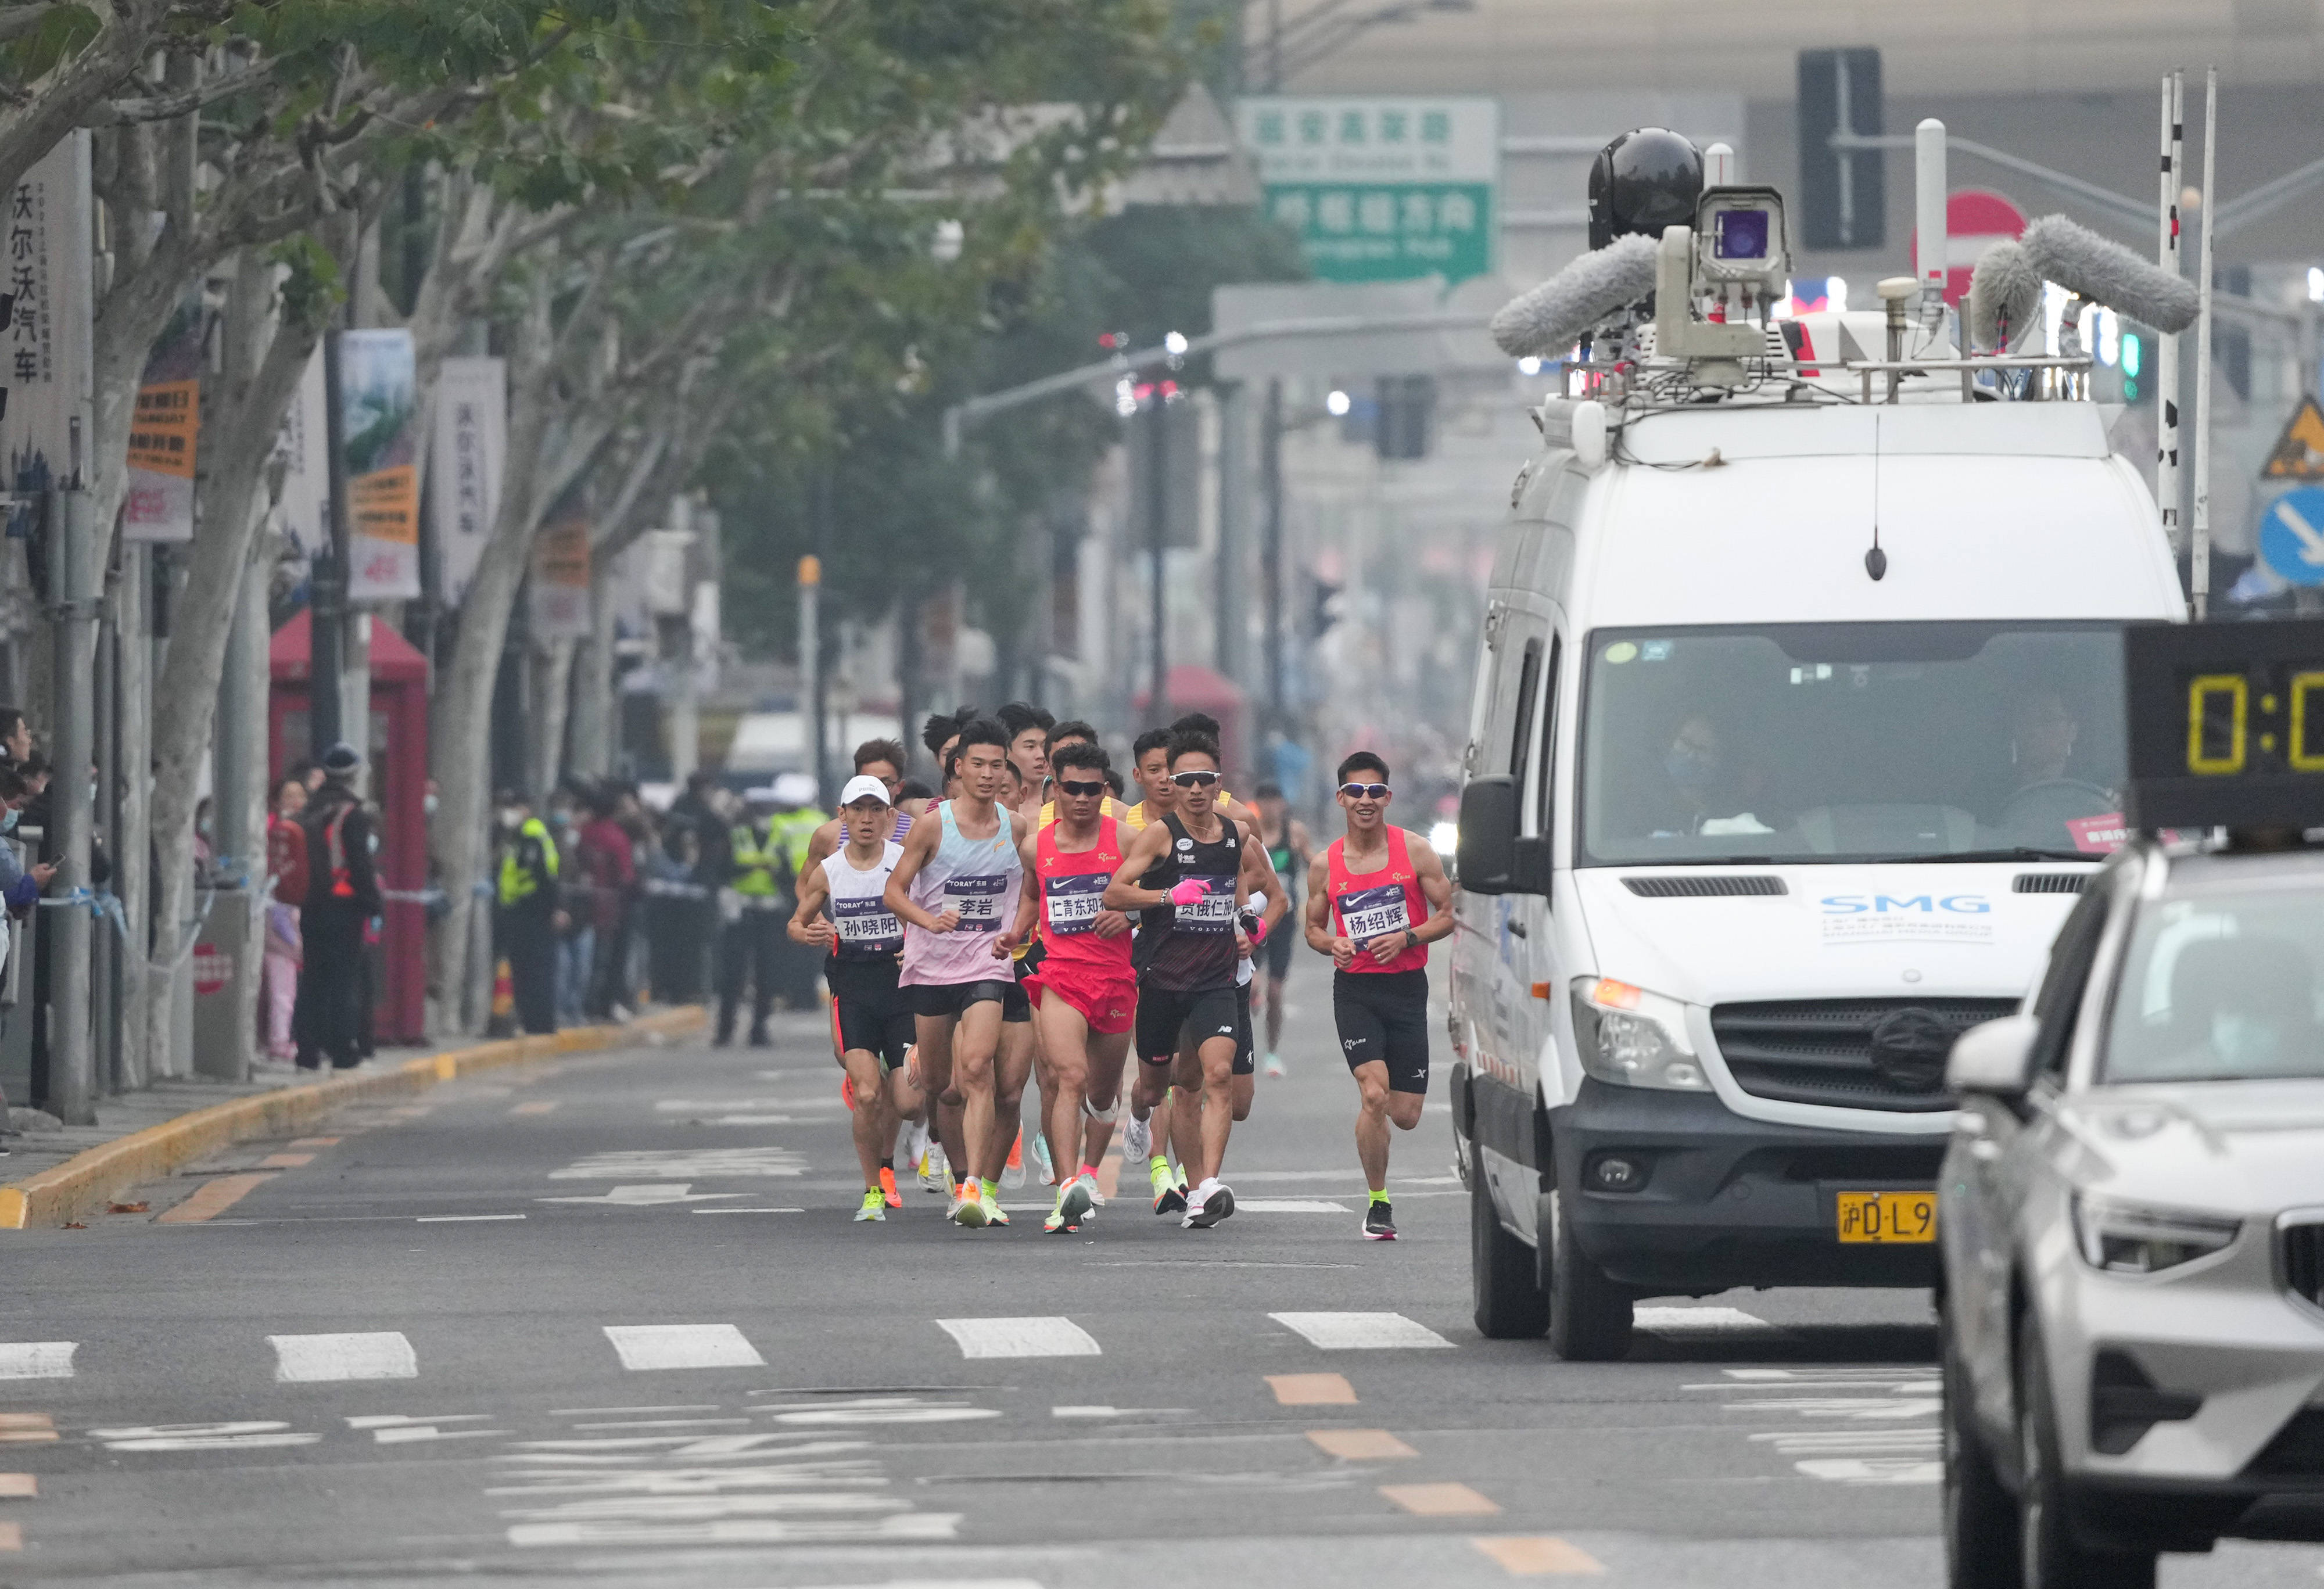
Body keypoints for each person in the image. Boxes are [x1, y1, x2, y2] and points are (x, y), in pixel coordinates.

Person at [1103, 727, 1282, 1230]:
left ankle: (1204, 1186)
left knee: (1213, 1077)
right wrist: (1167, 898)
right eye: (1186, 780)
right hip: (1162, 979)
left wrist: (1249, 918)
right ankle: (1139, 1114)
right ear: (1173, 784)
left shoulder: (1235, 833)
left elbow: (1244, 884)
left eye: (1205, 779)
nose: (1196, 789)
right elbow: (1115, 894)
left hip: (1215, 978)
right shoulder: (1159, 835)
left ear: (1218, 781)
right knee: (1157, 1085)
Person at [1304, 751, 1454, 1241]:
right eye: (1355, 792)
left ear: (1387, 798)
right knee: (1373, 1094)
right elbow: (1312, 928)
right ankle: (1378, 1202)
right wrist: (1333, 943)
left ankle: (1379, 1126)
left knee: (1405, 1114)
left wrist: (1408, 937)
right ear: (1341, 797)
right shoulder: (1325, 864)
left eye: (1375, 792)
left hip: (1408, 989)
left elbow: (1450, 913)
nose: (1365, 801)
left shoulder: (1415, 851)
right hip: (1357, 991)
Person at [884, 718, 1024, 1228]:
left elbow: (1034, 886)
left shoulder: (1015, 826)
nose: (989, 775)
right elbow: (894, 891)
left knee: (979, 1067)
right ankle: (956, 1166)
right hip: (931, 967)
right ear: (958, 768)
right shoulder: (932, 825)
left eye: (997, 765)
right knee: (943, 1087)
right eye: (979, 765)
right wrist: (927, 921)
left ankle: (975, 1188)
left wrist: (1019, 930)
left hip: (988, 962)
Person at [791, 775, 926, 1222]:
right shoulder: (829, 869)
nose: (867, 819)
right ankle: (873, 1189)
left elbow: (927, 907)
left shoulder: (905, 861)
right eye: (858, 809)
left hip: (901, 983)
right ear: (842, 815)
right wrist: (809, 932)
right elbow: (796, 921)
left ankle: (912, 1127)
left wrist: (919, 940)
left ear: (891, 817)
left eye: (876, 810)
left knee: (907, 1102)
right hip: (853, 985)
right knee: (867, 1094)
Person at [1017, 738, 1136, 1234]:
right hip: (1061, 975)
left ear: (1105, 790)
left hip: (1115, 979)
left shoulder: (1128, 841)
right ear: (1056, 789)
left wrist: (1128, 912)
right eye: (1072, 789)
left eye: (1093, 789)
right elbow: (1030, 897)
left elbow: (1164, 899)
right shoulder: (1035, 846)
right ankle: (1068, 1188)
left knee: (1101, 1093)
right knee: (1066, 1077)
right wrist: (1017, 932)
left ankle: (1094, 1145)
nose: (1083, 798)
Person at [295, 743, 385, 1068]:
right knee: (344, 980)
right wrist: (373, 903)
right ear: (353, 775)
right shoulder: (352, 814)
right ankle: (343, 1049)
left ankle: (307, 1049)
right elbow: (360, 864)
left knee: (314, 977)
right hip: (344, 907)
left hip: (310, 905)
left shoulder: (310, 809)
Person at [717, 785, 791, 1046]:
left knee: (766, 974)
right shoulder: (737, 835)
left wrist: (775, 872)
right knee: (733, 973)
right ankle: (725, 1029)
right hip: (741, 912)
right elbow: (722, 869)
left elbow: (788, 875)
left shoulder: (779, 837)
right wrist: (750, 868)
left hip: (770, 914)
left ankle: (759, 1029)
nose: (764, 813)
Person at [1249, 782, 1312, 1078]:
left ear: (1282, 804)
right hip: (1252, 917)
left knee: (1275, 992)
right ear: (1258, 803)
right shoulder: (1249, 833)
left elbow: (1316, 865)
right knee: (1251, 985)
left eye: (1276, 802)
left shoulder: (1295, 832)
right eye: (1265, 801)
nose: (1271, 808)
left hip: (1284, 921)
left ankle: (1272, 1053)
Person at [494, 788, 565, 1038]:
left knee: (533, 972)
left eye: (513, 807)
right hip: (521, 913)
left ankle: (539, 1023)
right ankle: (533, 1021)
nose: (508, 813)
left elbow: (545, 878)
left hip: (532, 914)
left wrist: (552, 911)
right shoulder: (519, 836)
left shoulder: (531, 836)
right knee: (526, 971)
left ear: (524, 809)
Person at [576, 788, 637, 1020]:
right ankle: (601, 1005)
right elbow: (626, 876)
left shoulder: (586, 833)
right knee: (606, 961)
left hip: (583, 906)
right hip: (611, 909)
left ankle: (589, 1004)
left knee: (588, 959)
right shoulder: (616, 837)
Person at [262, 774, 309, 1063]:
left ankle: (286, 1037)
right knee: (282, 986)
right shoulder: (276, 831)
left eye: (300, 795)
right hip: (275, 912)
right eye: (289, 795)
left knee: (289, 986)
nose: (295, 801)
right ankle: (278, 1040)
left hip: (293, 913)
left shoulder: (304, 831)